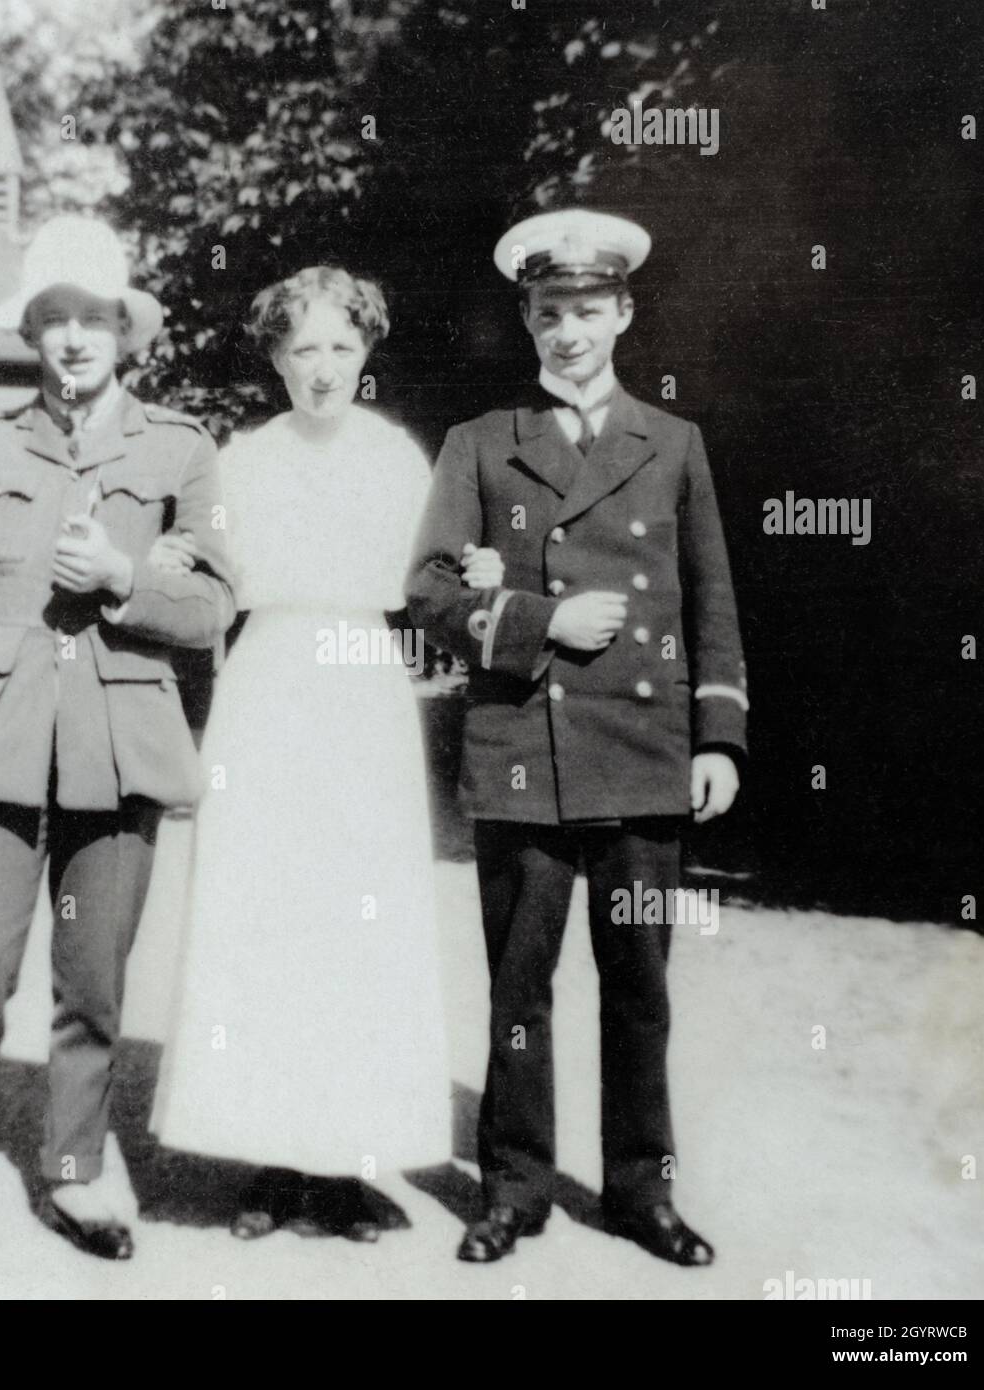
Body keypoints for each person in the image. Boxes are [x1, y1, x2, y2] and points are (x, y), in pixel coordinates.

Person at [0, 215, 235, 1271]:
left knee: (93, 983)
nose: (75, 337)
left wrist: (125, 580)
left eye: (94, 318)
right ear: (32, 333)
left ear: (125, 331)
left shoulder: (179, 447)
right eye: (53, 319)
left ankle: (75, 1174)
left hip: (118, 741)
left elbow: (212, 607)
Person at [407, 207, 748, 1266]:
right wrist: (535, 620)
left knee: (639, 986)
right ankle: (511, 1187)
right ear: (525, 316)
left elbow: (712, 604)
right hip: (522, 751)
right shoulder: (480, 442)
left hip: (645, 757)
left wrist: (716, 741)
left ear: (623, 313)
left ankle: (641, 1190)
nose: (568, 331)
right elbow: (422, 589)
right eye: (548, 311)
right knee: (520, 986)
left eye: (587, 310)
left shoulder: (673, 442)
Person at [152, 267, 485, 1240]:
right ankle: (269, 1155)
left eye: (342, 347)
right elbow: (211, 574)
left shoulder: (395, 459)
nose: (324, 368)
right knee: (264, 914)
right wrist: (174, 558)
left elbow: (423, 582)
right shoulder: (242, 458)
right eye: (304, 349)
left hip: (358, 692)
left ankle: (344, 1160)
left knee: (356, 916)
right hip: (269, 687)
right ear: (276, 357)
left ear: (366, 351)